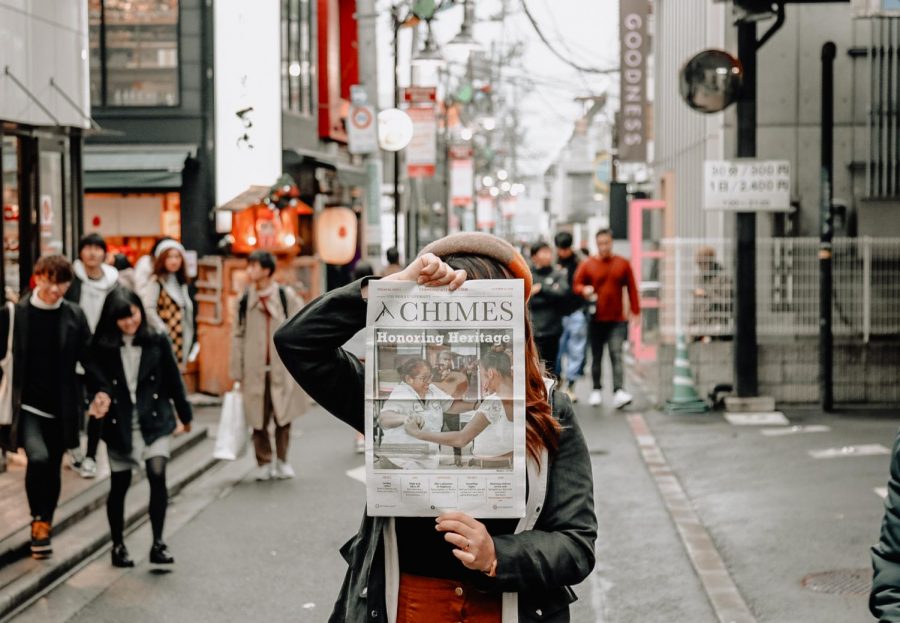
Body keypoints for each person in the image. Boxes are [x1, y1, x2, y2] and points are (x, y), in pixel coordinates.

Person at [274, 232, 596, 623]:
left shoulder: (548, 407)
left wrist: (498, 555)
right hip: (406, 600)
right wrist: (392, 287)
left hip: (507, 607)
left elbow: (576, 541)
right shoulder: (382, 398)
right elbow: (298, 342)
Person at [0, 255, 110, 559]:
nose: (56, 290)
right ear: (38, 278)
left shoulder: (74, 316)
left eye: (62, 283)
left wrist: (100, 390)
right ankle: (37, 520)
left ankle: (44, 521)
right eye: (50, 282)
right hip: (27, 405)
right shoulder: (15, 314)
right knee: (38, 457)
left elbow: (88, 359)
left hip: (62, 405)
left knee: (53, 466)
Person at [91, 288, 192, 567]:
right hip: (119, 422)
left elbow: (173, 380)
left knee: (157, 473)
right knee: (119, 484)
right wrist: (96, 397)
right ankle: (118, 545)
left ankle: (158, 542)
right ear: (112, 319)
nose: (129, 322)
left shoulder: (157, 340)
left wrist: (185, 415)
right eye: (122, 318)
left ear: (140, 310)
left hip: (155, 419)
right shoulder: (102, 347)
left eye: (133, 314)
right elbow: (92, 380)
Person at [229, 250, 304, 481]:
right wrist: (236, 371)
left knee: (283, 415)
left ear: (267, 269)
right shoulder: (244, 300)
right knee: (257, 417)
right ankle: (263, 461)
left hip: (282, 366)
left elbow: (301, 324)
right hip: (254, 368)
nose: (250, 269)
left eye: (254, 265)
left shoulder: (284, 295)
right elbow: (237, 336)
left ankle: (282, 460)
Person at [65, 233, 121, 479]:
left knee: (98, 402)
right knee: (72, 403)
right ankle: (75, 449)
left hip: (102, 353)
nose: (92, 253)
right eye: (87, 248)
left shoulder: (113, 282)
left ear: (104, 253)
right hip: (73, 350)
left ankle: (90, 456)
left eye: (97, 248)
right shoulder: (71, 280)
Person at [404, 350, 514, 468]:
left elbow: (461, 439)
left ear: (491, 373)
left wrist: (417, 433)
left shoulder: (494, 402)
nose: (482, 382)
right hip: (507, 465)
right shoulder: (521, 397)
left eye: (482, 375)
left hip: (489, 468)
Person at [573, 228, 640, 409]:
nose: (604, 247)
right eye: (600, 243)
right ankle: (596, 389)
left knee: (616, 354)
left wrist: (636, 310)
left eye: (607, 243)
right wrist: (583, 290)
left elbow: (632, 288)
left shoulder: (622, 264)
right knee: (596, 356)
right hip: (595, 319)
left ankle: (619, 391)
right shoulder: (588, 264)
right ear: (596, 244)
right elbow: (576, 284)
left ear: (611, 242)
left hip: (617, 319)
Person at [377, 358, 454, 469]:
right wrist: (406, 418)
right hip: (399, 462)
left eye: (430, 377)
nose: (429, 381)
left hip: (426, 461)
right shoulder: (402, 392)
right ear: (409, 379)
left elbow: (451, 405)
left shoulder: (431, 389)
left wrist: (477, 405)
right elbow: (384, 418)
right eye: (424, 378)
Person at [140, 239, 195, 368]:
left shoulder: (181, 283)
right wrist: (163, 330)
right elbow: (148, 309)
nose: (174, 261)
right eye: (169, 257)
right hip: (163, 339)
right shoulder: (156, 282)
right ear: (162, 259)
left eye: (177, 256)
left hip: (181, 339)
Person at [528, 241, 569, 376]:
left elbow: (562, 293)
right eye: (544, 252)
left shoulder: (558, 273)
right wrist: (549, 292)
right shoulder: (528, 274)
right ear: (534, 256)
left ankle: (552, 393)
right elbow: (527, 298)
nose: (548, 256)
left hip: (552, 329)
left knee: (552, 366)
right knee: (533, 366)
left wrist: (541, 289)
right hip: (533, 329)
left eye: (549, 252)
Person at [690, 246, 732, 341]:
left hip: (717, 326)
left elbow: (727, 302)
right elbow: (695, 305)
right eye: (699, 264)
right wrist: (691, 324)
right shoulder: (698, 278)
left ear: (711, 262)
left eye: (703, 263)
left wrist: (706, 294)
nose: (701, 267)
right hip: (700, 326)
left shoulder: (723, 277)